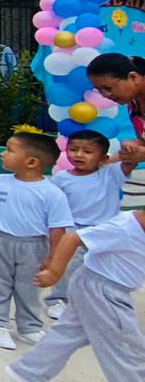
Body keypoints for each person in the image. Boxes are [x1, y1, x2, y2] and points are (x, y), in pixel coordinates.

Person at [4, 209, 145, 382]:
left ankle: (30, 372)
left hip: (97, 286)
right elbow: (72, 238)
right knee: (128, 350)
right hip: (104, 291)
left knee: (69, 333)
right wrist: (54, 272)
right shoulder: (125, 228)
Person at [0, 132, 72, 350]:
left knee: (28, 287)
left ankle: (29, 327)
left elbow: (58, 228)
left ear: (32, 162)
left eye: (10, 150)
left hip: (33, 246)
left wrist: (53, 258)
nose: (3, 154)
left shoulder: (52, 193)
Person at [46, 129, 135, 319]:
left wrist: (130, 150)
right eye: (73, 149)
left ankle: (95, 300)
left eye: (87, 151)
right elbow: (52, 205)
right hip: (72, 230)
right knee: (68, 266)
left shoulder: (110, 173)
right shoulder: (61, 178)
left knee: (101, 268)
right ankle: (58, 299)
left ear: (103, 158)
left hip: (104, 230)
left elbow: (130, 162)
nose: (78, 155)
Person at [86, 53, 145, 164]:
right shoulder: (133, 103)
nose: (105, 95)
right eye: (99, 90)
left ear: (133, 77)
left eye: (108, 88)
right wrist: (102, 165)